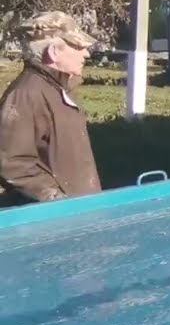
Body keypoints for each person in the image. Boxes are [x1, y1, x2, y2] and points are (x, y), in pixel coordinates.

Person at [0, 11, 103, 206]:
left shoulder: (57, 88)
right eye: (78, 47)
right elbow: (11, 162)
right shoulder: (26, 94)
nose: (86, 53)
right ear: (54, 52)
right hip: (58, 215)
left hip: (81, 209)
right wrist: (54, 198)